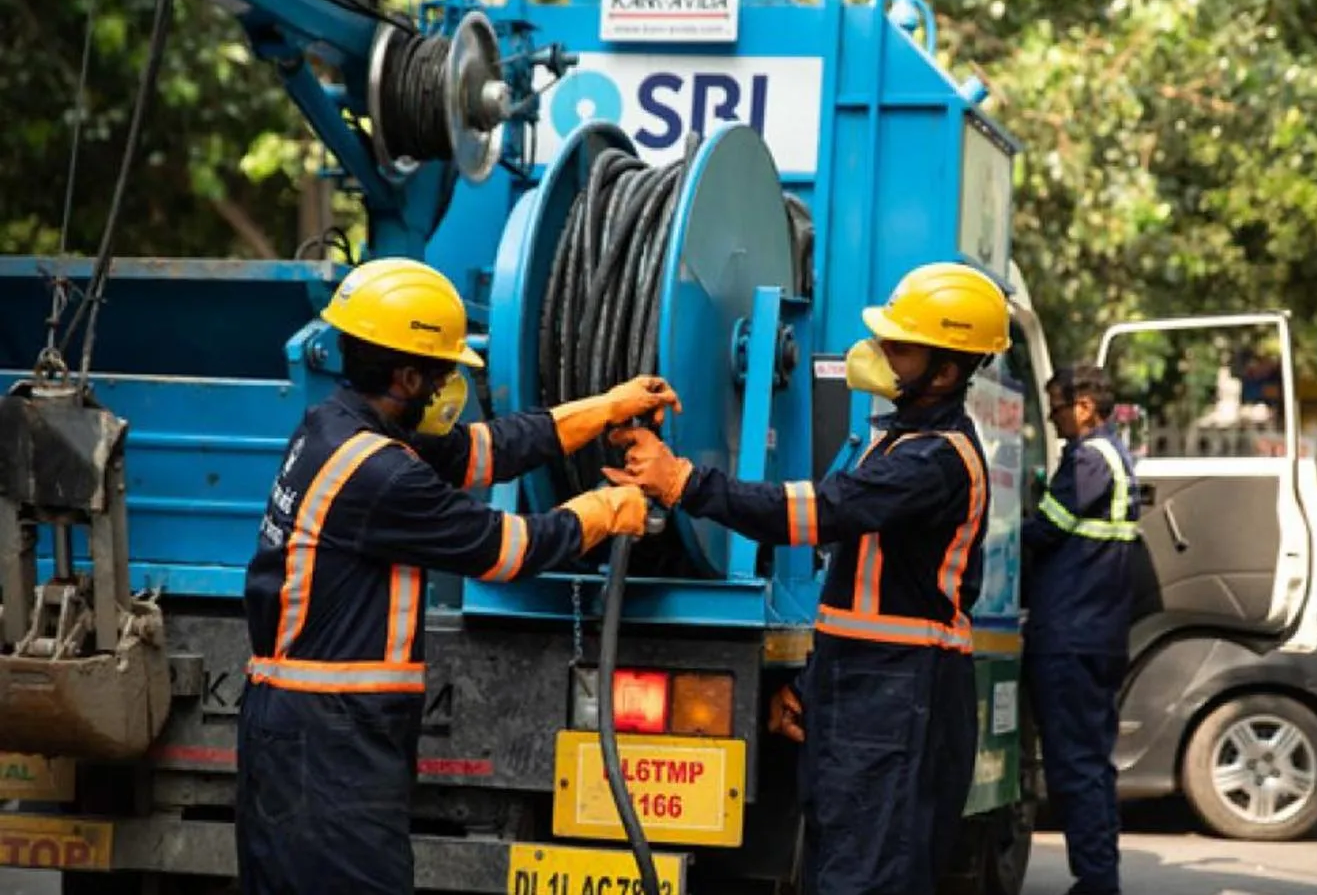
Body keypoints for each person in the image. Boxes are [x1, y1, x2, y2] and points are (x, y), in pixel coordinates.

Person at [234, 257, 676, 894]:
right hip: (329, 743)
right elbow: (506, 548)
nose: (452, 385)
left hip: (304, 731)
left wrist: (605, 410)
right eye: (444, 370)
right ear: (408, 375)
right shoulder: (381, 474)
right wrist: (608, 510)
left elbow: (483, 449)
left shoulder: (340, 426)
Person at [603, 261, 1011, 895]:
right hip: (871, 690)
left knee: (867, 877)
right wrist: (815, 684)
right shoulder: (900, 443)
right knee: (836, 864)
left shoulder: (934, 461)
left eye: (898, 347)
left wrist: (685, 483)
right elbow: (861, 599)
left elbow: (816, 515)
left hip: (902, 699)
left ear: (949, 370)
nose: (879, 354)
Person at [1022, 363, 1140, 895]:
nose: (1052, 416)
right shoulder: (1111, 457)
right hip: (1093, 631)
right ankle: (1097, 878)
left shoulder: (1091, 459)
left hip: (1073, 634)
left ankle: (1096, 882)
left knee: (1077, 765)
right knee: (1089, 762)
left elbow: (1045, 529)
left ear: (1086, 406)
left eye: (1058, 405)